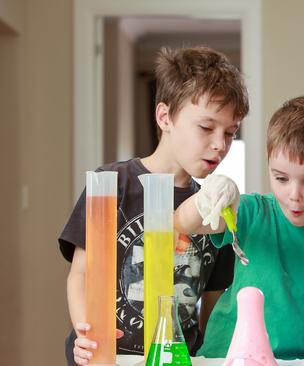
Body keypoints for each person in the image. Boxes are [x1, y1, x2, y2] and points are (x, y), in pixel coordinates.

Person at [59, 45, 250, 365]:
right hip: (105, 357)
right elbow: (80, 274)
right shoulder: (114, 183)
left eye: (230, 133)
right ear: (165, 117)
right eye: (206, 127)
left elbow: (213, 301)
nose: (220, 144)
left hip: (176, 357)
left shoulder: (214, 209)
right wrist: (85, 335)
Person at [174, 95, 304, 360]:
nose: (294, 195)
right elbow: (181, 222)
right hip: (227, 358)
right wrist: (204, 199)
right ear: (269, 163)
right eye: (281, 178)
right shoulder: (251, 212)